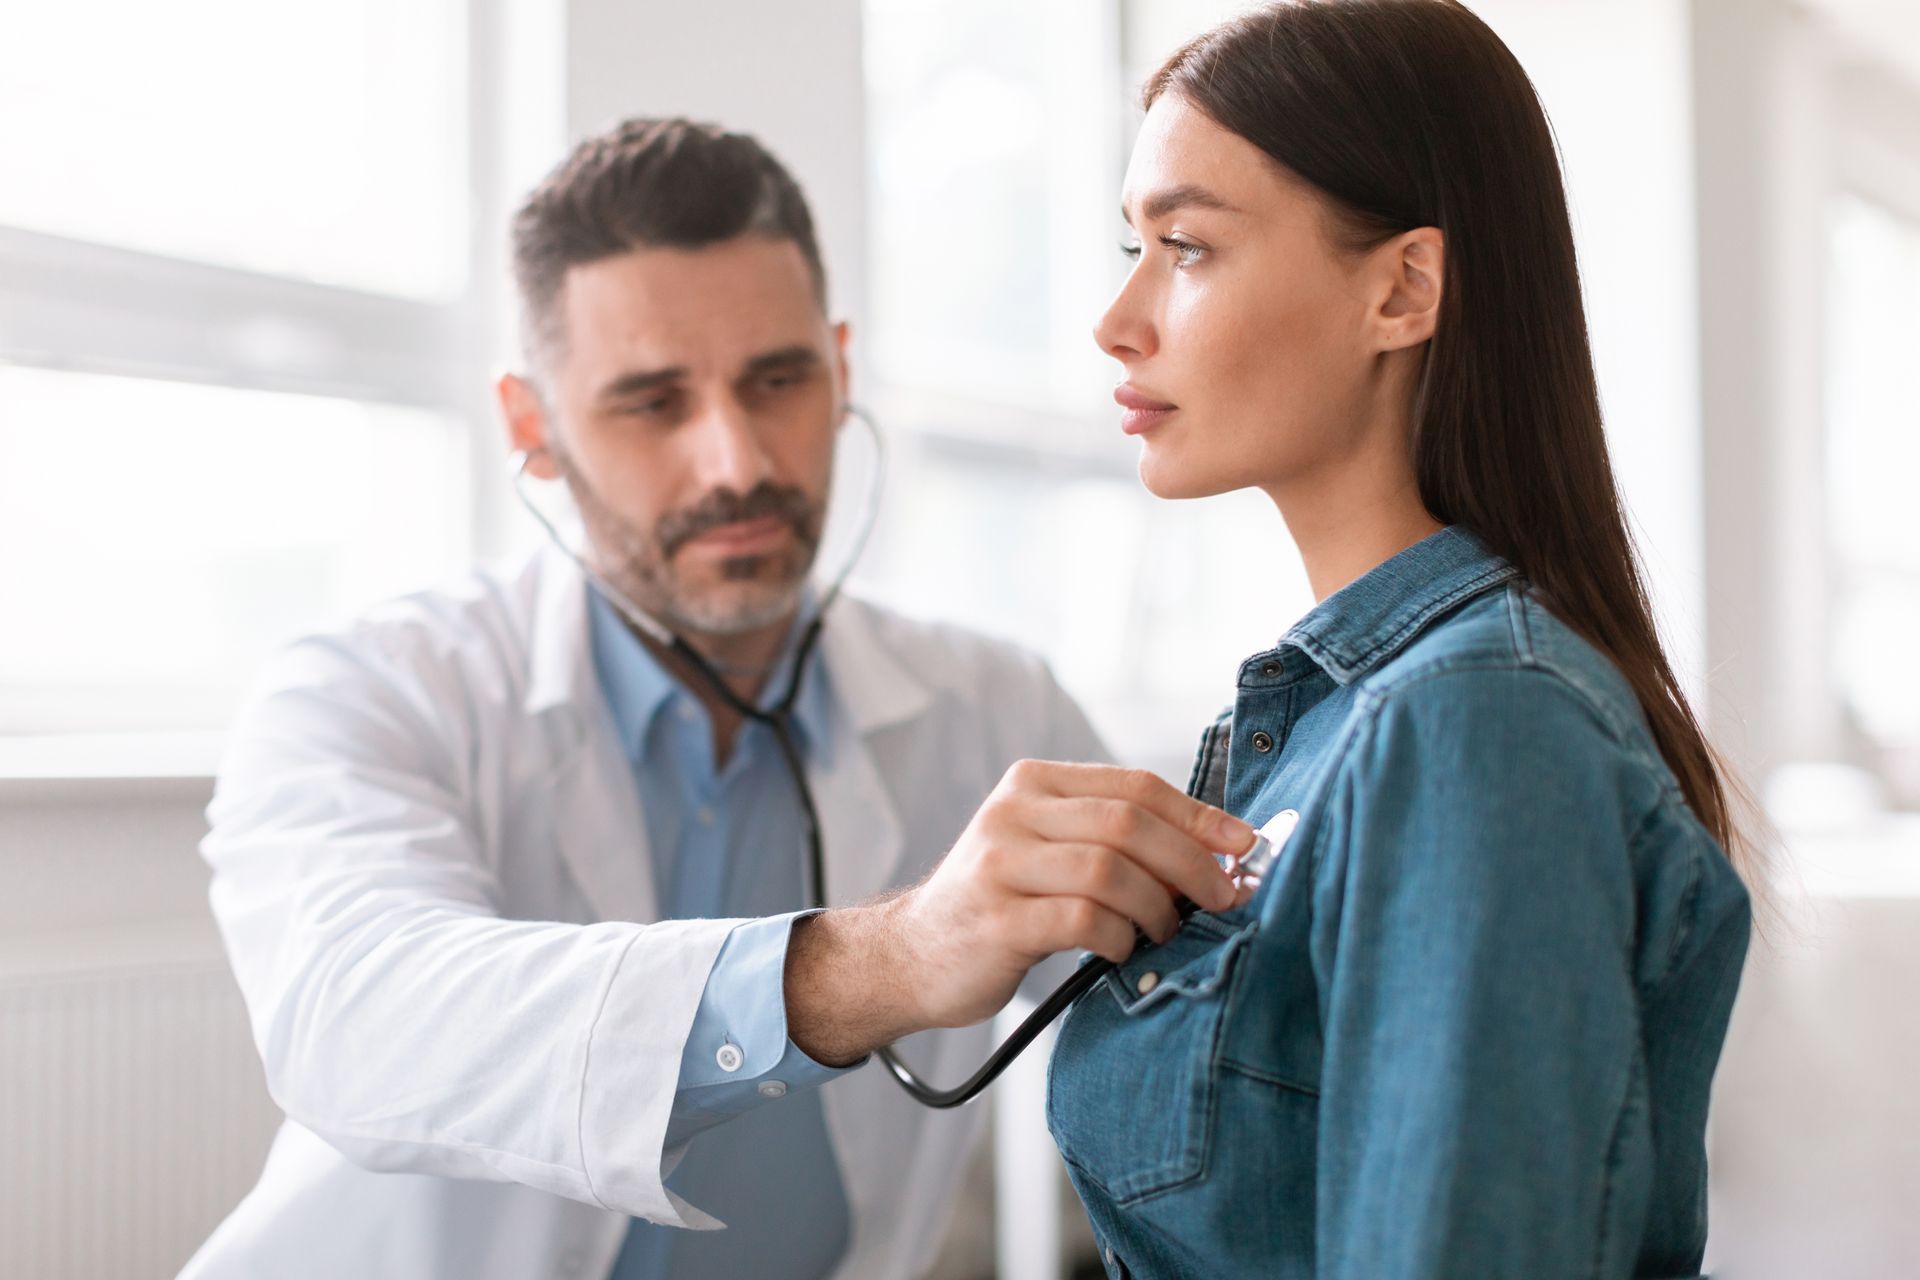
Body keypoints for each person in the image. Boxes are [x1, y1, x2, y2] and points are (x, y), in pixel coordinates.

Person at [182, 118, 1252, 1280]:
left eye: (778, 379)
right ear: (532, 427)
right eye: (652, 402)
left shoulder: (993, 701)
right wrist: (886, 959)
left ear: (841, 369)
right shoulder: (369, 688)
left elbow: (1211, 1022)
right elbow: (360, 1021)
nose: (736, 460)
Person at [1045, 3, 1755, 1278]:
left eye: (1187, 248)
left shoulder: (1480, 719)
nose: (1119, 317)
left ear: (1402, 289)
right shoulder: (1321, 719)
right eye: (1129, 246)